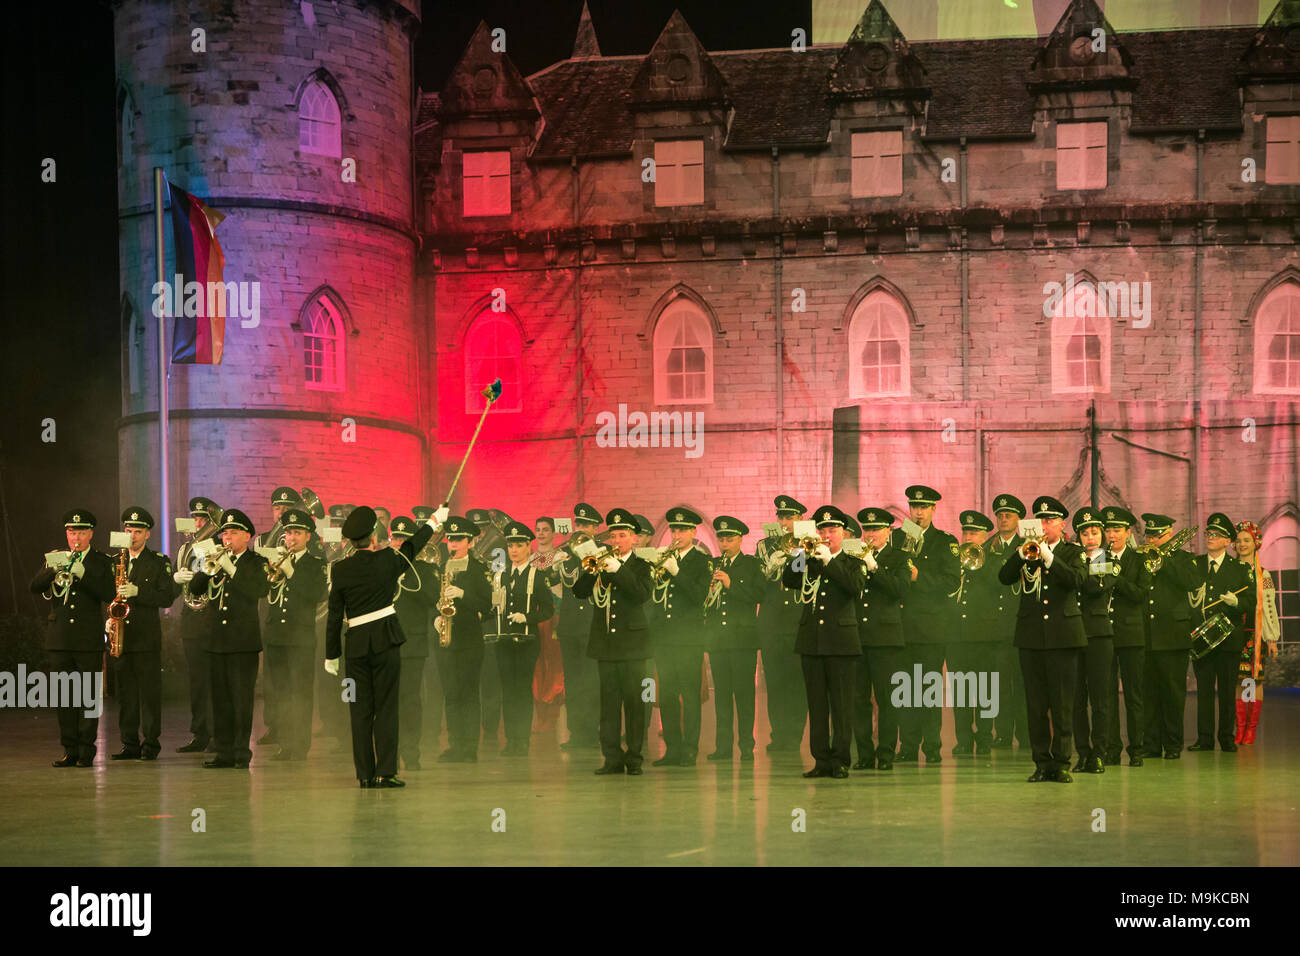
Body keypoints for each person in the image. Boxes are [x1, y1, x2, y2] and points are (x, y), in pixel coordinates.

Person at [326, 505, 443, 787]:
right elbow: (414, 546)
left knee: (359, 710)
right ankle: (385, 771)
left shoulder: (339, 569)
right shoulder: (388, 560)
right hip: (385, 642)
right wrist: (434, 521)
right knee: (387, 708)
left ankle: (364, 774)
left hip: (355, 647)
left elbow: (334, 616)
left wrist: (331, 655)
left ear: (351, 541)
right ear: (374, 537)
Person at [996, 496, 1086, 783]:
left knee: (1062, 704)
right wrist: (1022, 554)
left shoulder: (1072, 552)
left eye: (1050, 520)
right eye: (1041, 520)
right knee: (1035, 705)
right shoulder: (1026, 551)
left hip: (1062, 637)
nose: (1044, 525)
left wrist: (1049, 557)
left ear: (1061, 524)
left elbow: (1076, 580)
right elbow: (1004, 577)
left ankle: (1061, 762)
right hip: (1031, 636)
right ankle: (1041, 762)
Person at [779, 505, 864, 779]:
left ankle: (840, 759)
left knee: (841, 706)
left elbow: (854, 587)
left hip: (841, 643)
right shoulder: (809, 558)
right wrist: (800, 554)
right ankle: (821, 759)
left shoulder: (852, 560)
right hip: (812, 641)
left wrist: (830, 561)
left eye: (833, 529)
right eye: (823, 529)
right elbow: (789, 580)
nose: (827, 535)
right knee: (816, 706)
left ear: (843, 532)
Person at [30, 509, 116, 767]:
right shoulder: (56, 557)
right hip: (60, 639)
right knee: (65, 697)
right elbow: (34, 587)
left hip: (87, 638)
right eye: (71, 532)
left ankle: (86, 750)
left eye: (80, 532)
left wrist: (83, 573)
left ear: (90, 533)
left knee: (88, 697)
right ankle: (69, 749)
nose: (75, 537)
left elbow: (108, 593)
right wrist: (52, 569)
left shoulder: (100, 561)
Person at [572, 508, 653, 775]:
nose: (616, 541)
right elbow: (579, 592)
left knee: (634, 704)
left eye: (622, 535)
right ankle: (612, 758)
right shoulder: (602, 560)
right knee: (608, 704)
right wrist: (590, 566)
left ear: (634, 539)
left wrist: (619, 570)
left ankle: (635, 758)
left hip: (633, 646)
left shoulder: (642, 565)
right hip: (605, 644)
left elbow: (641, 594)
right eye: (613, 536)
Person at [189, 508, 270, 769]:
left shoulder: (255, 563)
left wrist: (232, 570)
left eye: (233, 533)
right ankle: (223, 751)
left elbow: (258, 589)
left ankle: (240, 752)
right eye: (225, 533)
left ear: (246, 536)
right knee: (219, 700)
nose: (227, 538)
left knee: (241, 700)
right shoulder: (217, 559)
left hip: (242, 643)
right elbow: (195, 588)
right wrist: (206, 567)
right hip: (216, 641)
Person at [893, 485, 959, 765]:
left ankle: (932, 746)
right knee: (905, 690)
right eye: (914, 507)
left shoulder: (945, 542)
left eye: (924, 507)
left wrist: (921, 578)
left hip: (931, 628)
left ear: (933, 510)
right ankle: (907, 745)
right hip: (899, 627)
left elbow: (951, 582)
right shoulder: (897, 538)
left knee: (929, 689)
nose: (918, 512)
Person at [108, 507, 178, 761]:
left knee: (149, 694)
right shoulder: (115, 561)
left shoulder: (159, 561)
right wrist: (108, 619)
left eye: (138, 531)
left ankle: (150, 744)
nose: (132, 536)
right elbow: (106, 596)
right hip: (122, 636)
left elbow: (168, 595)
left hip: (146, 638)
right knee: (126, 696)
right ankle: (129, 744)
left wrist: (140, 592)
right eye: (128, 531)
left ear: (148, 534)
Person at [262, 507, 327, 762]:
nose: (291, 538)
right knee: (281, 692)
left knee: (299, 693)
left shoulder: (315, 564)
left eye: (297, 533)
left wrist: (291, 572)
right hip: (277, 636)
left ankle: (300, 745)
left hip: (300, 639)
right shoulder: (276, 561)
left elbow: (315, 595)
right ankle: (285, 742)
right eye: (288, 533)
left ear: (308, 536)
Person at [1188, 512, 1255, 753]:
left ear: (1228, 541)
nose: (1210, 538)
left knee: (1227, 691)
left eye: (1216, 535)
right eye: (1208, 533)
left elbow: (1251, 601)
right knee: (1203, 691)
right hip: (1202, 640)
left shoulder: (1239, 569)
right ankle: (1204, 738)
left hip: (1228, 639)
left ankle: (1227, 737)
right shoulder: (1194, 565)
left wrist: (1237, 602)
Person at [649, 507, 710, 765]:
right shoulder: (664, 557)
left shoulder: (701, 560)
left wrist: (677, 571)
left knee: (690, 694)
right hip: (664, 638)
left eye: (683, 530)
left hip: (688, 639)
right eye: (674, 529)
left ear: (693, 532)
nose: (677, 534)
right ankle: (672, 748)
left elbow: (698, 596)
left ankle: (689, 748)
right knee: (667, 695)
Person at [1139, 513, 1203, 759]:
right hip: (1146, 635)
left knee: (1173, 694)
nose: (1153, 540)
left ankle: (1173, 745)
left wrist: (1165, 562)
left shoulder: (1184, 558)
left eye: (1158, 535)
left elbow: (1192, 582)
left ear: (1169, 535)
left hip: (1173, 636)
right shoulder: (1141, 558)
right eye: (1150, 535)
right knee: (1149, 693)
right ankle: (1151, 745)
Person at [851, 507, 909, 771]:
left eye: (876, 529)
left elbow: (899, 590)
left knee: (887, 699)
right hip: (857, 636)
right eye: (867, 529)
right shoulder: (853, 556)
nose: (871, 534)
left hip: (885, 638)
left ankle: (885, 753)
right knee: (858, 700)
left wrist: (873, 566)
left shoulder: (899, 557)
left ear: (888, 531)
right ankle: (864, 754)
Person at [431, 516, 492, 763]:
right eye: (450, 539)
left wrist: (464, 594)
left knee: (468, 694)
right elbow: (429, 599)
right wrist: (434, 618)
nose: (453, 544)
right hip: (446, 641)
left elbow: (488, 606)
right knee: (451, 694)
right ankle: (455, 744)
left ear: (469, 541)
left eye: (458, 540)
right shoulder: (440, 567)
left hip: (469, 641)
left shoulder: (479, 569)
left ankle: (469, 748)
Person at [703, 516, 763, 762]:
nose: (724, 543)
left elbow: (758, 594)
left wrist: (730, 583)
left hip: (743, 641)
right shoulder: (713, 564)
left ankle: (747, 746)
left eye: (730, 539)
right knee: (722, 696)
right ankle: (723, 746)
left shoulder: (751, 565)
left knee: (745, 695)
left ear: (740, 539)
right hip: (718, 641)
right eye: (721, 539)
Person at [494, 521, 555, 755]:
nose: (514, 550)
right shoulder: (500, 575)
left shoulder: (536, 576)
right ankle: (511, 740)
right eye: (510, 545)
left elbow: (547, 610)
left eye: (519, 545)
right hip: (504, 642)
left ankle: (522, 740)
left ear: (528, 548)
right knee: (508, 691)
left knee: (521, 690)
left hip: (527, 642)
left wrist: (527, 617)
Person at [756, 496, 810, 754]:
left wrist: (797, 554)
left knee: (797, 683)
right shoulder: (765, 545)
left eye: (791, 517)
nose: (786, 522)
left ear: (800, 519)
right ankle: (779, 736)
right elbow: (766, 577)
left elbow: (798, 578)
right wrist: (778, 558)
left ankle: (794, 736)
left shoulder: (808, 544)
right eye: (782, 517)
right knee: (775, 683)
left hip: (799, 620)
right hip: (773, 622)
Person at [389, 515, 440, 771]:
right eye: (395, 537)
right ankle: (390, 750)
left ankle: (410, 752)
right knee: (387, 701)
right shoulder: (383, 566)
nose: (398, 542)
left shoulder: (423, 570)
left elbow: (433, 597)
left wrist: (407, 576)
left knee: (409, 700)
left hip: (411, 646)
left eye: (402, 538)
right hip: (385, 644)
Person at [949, 510, 1000, 757]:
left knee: (985, 691)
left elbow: (996, 585)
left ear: (985, 536)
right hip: (957, 635)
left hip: (984, 636)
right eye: (966, 532)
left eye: (974, 533)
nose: (968, 536)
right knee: (961, 692)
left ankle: (985, 738)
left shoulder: (992, 560)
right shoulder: (954, 560)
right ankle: (964, 739)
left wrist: (976, 563)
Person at [1071, 507, 1117, 774]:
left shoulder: (1107, 558)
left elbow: (1096, 586)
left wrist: (1078, 572)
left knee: (1100, 699)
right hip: (1074, 633)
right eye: (1085, 533)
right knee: (1076, 700)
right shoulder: (1074, 558)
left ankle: (1099, 752)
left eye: (1095, 532)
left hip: (1099, 634)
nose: (1091, 537)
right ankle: (1082, 752)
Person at [1101, 507, 1148, 766]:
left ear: (1128, 532)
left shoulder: (1139, 559)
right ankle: (1111, 747)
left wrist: (1116, 578)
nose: (1112, 535)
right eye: (1108, 530)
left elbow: (1140, 594)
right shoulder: (1099, 557)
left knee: (1133, 695)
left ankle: (1137, 749)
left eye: (1117, 530)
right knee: (1106, 695)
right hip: (1105, 634)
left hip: (1131, 634)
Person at [556, 502, 603, 750]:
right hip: (569, 625)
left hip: (592, 624)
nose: (582, 528)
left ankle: (592, 731)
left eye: (587, 525)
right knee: (573, 681)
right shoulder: (566, 552)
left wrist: (591, 554)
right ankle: (576, 733)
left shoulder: (602, 551)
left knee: (591, 681)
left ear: (596, 528)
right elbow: (544, 575)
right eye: (579, 524)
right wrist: (555, 562)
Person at [175, 496, 219, 753]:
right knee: (196, 682)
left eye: (203, 519)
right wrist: (176, 577)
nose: (198, 523)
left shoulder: (215, 547)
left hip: (211, 621)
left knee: (213, 682)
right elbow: (175, 587)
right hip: (192, 621)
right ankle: (200, 732)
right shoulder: (184, 550)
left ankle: (215, 733)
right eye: (195, 518)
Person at [986, 494, 1029, 751]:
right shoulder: (989, 546)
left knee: (1023, 684)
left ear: (1018, 519)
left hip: (1021, 624)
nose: (1003, 519)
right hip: (996, 626)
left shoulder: (1028, 545)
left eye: (1008, 515)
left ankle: (1025, 735)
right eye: (1000, 515)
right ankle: (1002, 734)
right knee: (1000, 685)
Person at [1233, 521, 1281, 744]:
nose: (1242, 544)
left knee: (1253, 680)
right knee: (1238, 681)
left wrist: (1271, 638)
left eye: (1246, 540)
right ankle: (1239, 727)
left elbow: (1270, 607)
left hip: (1255, 634)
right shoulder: (1229, 571)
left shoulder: (1263, 574)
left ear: (1255, 543)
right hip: (1233, 633)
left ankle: (1251, 728)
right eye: (1239, 540)